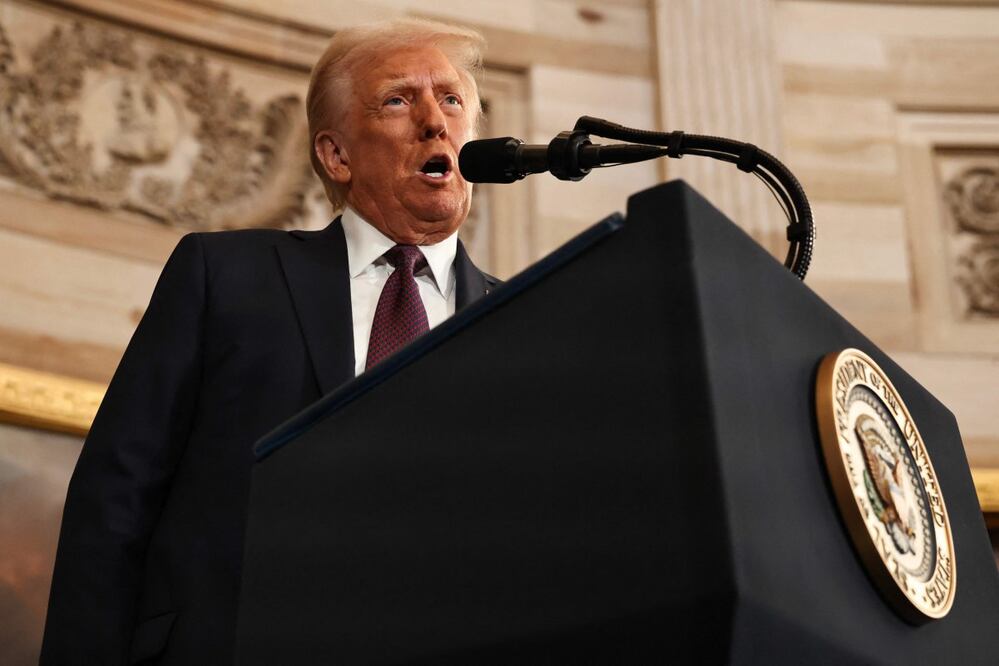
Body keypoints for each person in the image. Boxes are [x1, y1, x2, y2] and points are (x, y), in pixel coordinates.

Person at [40, 18, 498, 665]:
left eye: (451, 99)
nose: (434, 121)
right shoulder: (224, 276)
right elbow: (114, 502)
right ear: (335, 154)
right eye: (398, 99)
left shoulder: (520, 319)